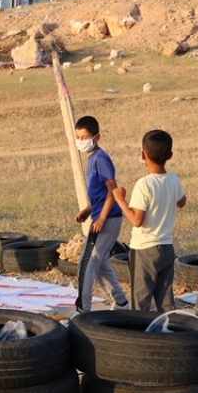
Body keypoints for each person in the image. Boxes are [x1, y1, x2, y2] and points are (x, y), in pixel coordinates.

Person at [112, 129, 187, 313]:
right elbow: (182, 202)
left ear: (142, 154)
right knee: (165, 299)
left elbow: (136, 220)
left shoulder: (144, 184)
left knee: (141, 301)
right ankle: (168, 331)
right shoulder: (173, 179)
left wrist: (120, 199)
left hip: (144, 249)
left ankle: (142, 337)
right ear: (170, 155)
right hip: (167, 246)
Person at [72, 116, 128, 311]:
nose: (81, 141)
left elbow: (113, 191)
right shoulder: (92, 159)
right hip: (101, 215)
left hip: (109, 217)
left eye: (85, 136)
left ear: (97, 137)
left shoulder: (101, 160)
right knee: (100, 261)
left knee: (87, 263)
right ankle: (120, 301)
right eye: (78, 136)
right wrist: (88, 210)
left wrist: (102, 217)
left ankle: (82, 309)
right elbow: (101, 193)